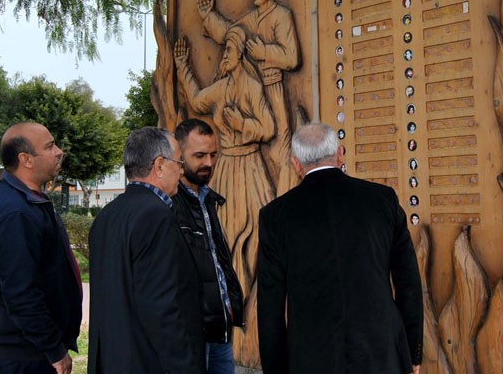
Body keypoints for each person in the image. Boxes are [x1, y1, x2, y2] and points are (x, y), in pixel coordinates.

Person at [257, 123, 424, 374]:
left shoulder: (275, 216)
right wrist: (412, 351)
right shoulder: (382, 200)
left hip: (311, 357)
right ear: (340, 154)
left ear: (296, 164)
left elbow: (270, 303)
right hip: (380, 353)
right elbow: (408, 280)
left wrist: (275, 369)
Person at [174, 27, 276, 365]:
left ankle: (246, 312)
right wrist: (183, 66)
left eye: (229, 52)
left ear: (239, 54)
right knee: (229, 239)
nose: (224, 58)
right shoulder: (222, 87)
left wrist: (242, 123)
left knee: (254, 237)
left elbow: (268, 128)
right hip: (229, 168)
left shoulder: (251, 86)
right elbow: (197, 99)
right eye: (199, 156)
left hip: (249, 167)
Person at [88, 127, 204, 373]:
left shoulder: (106, 215)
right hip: (148, 362)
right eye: (179, 162)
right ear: (160, 165)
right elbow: (161, 306)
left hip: (112, 360)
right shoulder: (156, 215)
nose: (182, 170)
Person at [0, 122, 81, 374]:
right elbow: (21, 293)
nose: (59, 151)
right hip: (24, 355)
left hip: (29, 350)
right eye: (49, 146)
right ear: (26, 159)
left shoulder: (26, 200)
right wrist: (54, 349)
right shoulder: (14, 211)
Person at [197, 0, 300, 197]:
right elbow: (230, 34)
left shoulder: (281, 15)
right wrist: (208, 16)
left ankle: (285, 199)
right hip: (249, 91)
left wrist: (263, 52)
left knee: (280, 151)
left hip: (272, 90)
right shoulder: (252, 19)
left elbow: (292, 57)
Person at [172, 119, 245, 374]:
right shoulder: (170, 204)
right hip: (192, 334)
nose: (209, 163)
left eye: (214, 154)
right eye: (200, 155)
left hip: (220, 331)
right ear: (178, 155)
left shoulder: (208, 199)